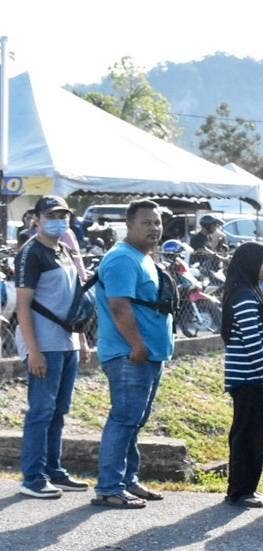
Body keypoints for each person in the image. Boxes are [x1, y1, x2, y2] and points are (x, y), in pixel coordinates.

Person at [92, 199, 174, 509]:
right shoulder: (122, 259)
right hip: (130, 355)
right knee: (124, 419)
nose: (154, 228)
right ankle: (109, 487)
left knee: (135, 420)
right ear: (129, 225)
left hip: (148, 355)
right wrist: (137, 344)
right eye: (147, 222)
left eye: (157, 222)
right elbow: (119, 306)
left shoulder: (142, 257)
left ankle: (127, 481)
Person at [13, 195, 91, 499]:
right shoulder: (31, 253)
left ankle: (54, 470)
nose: (59, 220)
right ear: (37, 219)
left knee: (59, 410)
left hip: (67, 341)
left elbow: (75, 299)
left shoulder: (65, 250)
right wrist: (34, 351)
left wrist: (82, 340)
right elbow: (23, 306)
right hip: (44, 342)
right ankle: (33, 476)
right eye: (52, 215)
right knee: (41, 410)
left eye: (64, 215)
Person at [221, 242, 263, 508]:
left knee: (249, 433)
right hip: (249, 378)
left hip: (248, 377)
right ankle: (242, 491)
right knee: (250, 435)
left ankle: (241, 489)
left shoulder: (247, 292)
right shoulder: (245, 297)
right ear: (251, 265)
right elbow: (252, 344)